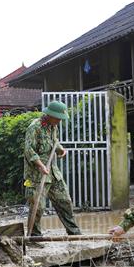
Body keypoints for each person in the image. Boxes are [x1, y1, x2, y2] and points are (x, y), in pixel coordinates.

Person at [24, 101, 81, 236]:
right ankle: (34, 236)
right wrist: (40, 165)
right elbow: (29, 150)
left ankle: (75, 233)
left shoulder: (54, 126)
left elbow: (53, 142)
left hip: (53, 171)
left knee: (65, 201)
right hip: (37, 174)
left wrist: (61, 150)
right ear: (49, 115)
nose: (60, 121)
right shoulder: (35, 127)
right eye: (58, 118)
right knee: (38, 206)